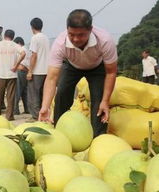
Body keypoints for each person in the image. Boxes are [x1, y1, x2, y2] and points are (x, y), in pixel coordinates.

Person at [39, 9, 117, 137]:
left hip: (97, 67)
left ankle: (98, 138)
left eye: (81, 35)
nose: (75, 39)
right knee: (62, 93)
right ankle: (59, 133)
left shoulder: (105, 40)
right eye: (71, 34)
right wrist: (45, 106)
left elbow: (111, 72)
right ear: (67, 30)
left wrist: (105, 101)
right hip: (72, 66)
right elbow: (52, 78)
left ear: (90, 29)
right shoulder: (60, 43)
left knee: (99, 102)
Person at [0, 29, 26, 120]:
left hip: (0, 73)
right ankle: (9, 116)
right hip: (12, 74)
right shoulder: (15, 45)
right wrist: (16, 65)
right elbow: (23, 54)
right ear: (13, 37)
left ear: (4, 36)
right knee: (10, 97)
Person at [27, 17, 50, 121]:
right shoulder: (46, 38)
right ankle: (44, 114)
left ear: (32, 27)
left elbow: (34, 55)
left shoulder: (34, 38)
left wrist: (30, 71)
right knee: (43, 94)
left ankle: (36, 116)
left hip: (37, 71)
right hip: (46, 70)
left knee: (34, 95)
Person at [13, 36, 30, 115]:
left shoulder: (22, 50)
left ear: (19, 43)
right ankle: (27, 109)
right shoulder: (27, 49)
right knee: (25, 92)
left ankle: (15, 110)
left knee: (18, 91)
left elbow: (22, 65)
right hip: (26, 72)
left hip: (20, 71)